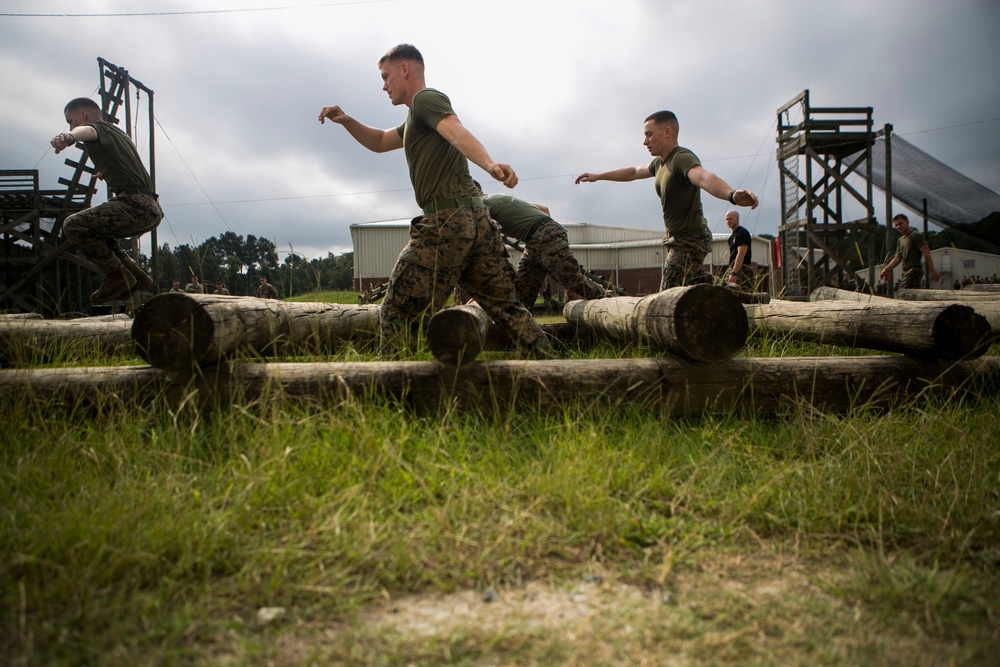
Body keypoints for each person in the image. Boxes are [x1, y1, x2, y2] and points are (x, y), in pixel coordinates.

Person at [318, 43, 549, 358]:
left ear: (405, 69)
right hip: (477, 223)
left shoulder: (427, 100)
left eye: (386, 76)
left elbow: (456, 132)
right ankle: (562, 373)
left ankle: (395, 392)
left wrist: (490, 165)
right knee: (508, 310)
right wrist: (346, 120)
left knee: (396, 308)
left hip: (447, 223)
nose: (383, 85)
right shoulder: (415, 118)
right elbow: (381, 141)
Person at [575, 110, 759, 290]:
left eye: (649, 135)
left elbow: (703, 178)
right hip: (677, 239)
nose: (645, 141)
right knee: (693, 280)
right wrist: (598, 176)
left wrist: (732, 195)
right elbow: (634, 171)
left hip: (691, 239)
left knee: (668, 291)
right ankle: (738, 294)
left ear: (667, 132)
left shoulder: (681, 158)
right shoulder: (659, 163)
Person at [50, 97, 163, 304]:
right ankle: (135, 274)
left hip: (135, 205)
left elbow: (87, 132)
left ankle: (116, 276)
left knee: (73, 225)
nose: (70, 124)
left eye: (70, 120)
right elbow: (124, 161)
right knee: (98, 232)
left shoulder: (94, 128)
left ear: (83, 114)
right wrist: (106, 170)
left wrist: (69, 136)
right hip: (150, 207)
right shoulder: (120, 134)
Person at [474, 181, 608, 307]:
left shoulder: (480, 203)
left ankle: (609, 300)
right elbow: (544, 209)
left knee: (571, 279)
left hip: (542, 237)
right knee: (522, 292)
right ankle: (522, 329)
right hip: (536, 240)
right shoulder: (498, 197)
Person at [878, 213, 940, 289]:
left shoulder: (915, 235)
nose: (899, 226)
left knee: (903, 292)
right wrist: (886, 269)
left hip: (914, 270)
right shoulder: (900, 240)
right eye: (896, 225)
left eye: (901, 223)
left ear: (907, 222)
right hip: (905, 271)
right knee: (912, 293)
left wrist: (932, 270)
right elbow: (897, 258)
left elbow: (926, 252)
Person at [724, 209, 755, 290]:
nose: (728, 221)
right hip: (733, 268)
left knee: (744, 295)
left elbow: (741, 254)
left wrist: (734, 273)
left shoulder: (742, 233)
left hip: (742, 270)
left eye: (731, 219)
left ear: (737, 219)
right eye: (726, 219)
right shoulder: (732, 237)